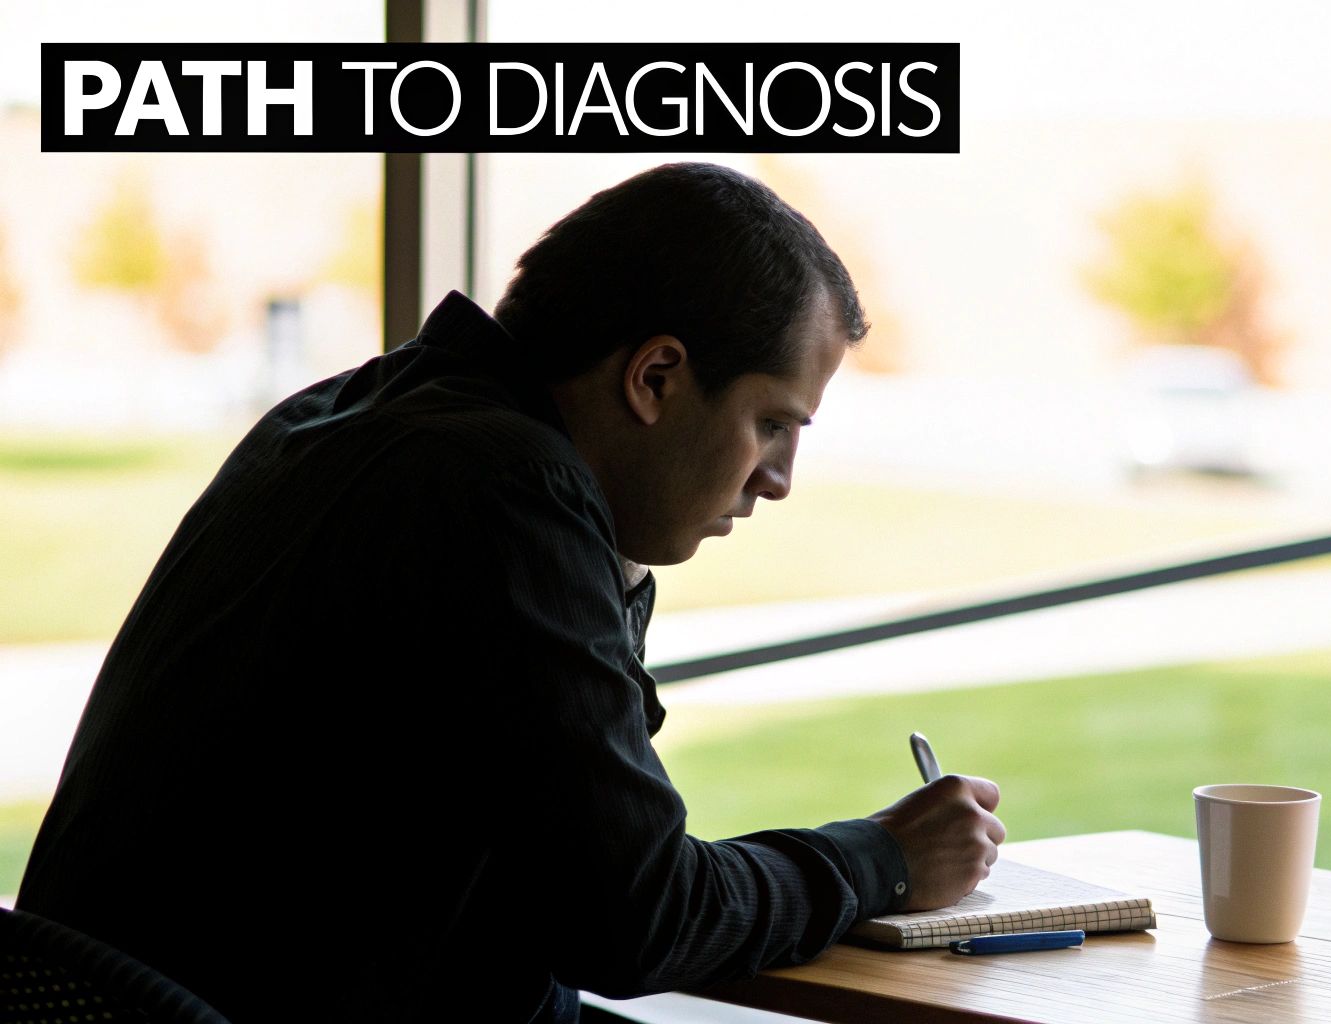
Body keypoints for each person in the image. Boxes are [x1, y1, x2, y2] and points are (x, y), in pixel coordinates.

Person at [17, 162, 1006, 1023]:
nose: (777, 479)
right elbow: (634, 916)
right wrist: (878, 860)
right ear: (656, 377)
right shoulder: (498, 489)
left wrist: (614, 558)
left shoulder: (357, 414)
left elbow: (567, 872)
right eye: (770, 425)